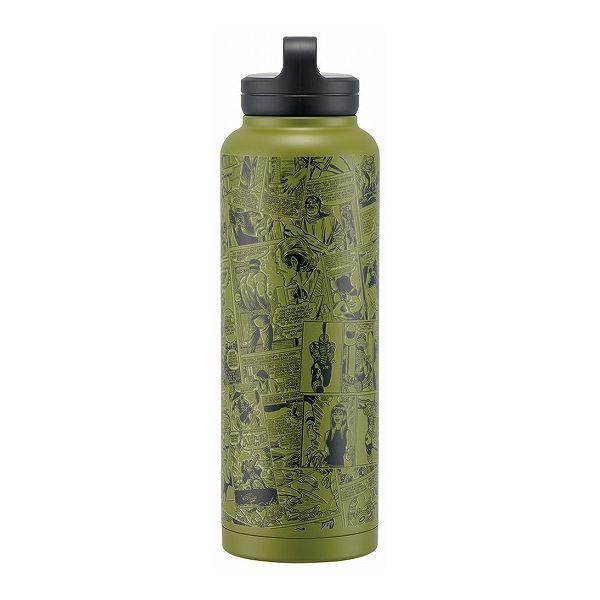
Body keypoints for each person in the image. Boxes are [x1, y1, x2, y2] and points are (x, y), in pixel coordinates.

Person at [237, 258, 273, 352]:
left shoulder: (243, 280)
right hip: (260, 310)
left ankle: (250, 353)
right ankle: (267, 353)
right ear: (259, 266)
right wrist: (267, 305)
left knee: (253, 334)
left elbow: (238, 298)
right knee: (266, 329)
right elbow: (261, 294)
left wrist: (245, 307)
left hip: (250, 312)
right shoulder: (259, 275)